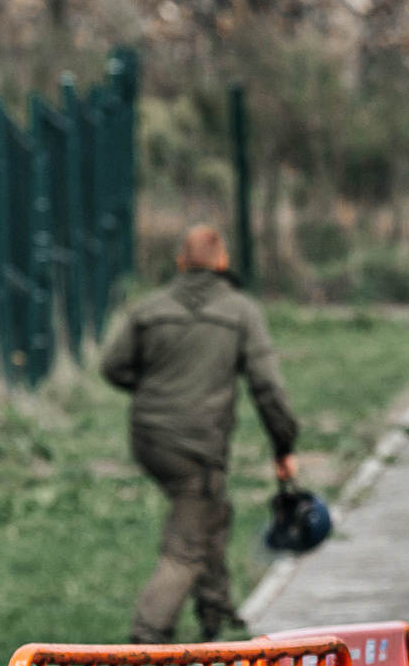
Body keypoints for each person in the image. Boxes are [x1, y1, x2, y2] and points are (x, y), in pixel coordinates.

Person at [100, 224, 299, 644]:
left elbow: (113, 366)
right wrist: (284, 444)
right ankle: (147, 633)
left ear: (181, 263)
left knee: (213, 509)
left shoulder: (151, 308)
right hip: (197, 445)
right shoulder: (241, 310)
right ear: (223, 263)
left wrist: (154, 388)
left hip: (149, 438)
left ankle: (216, 610)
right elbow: (267, 387)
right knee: (187, 542)